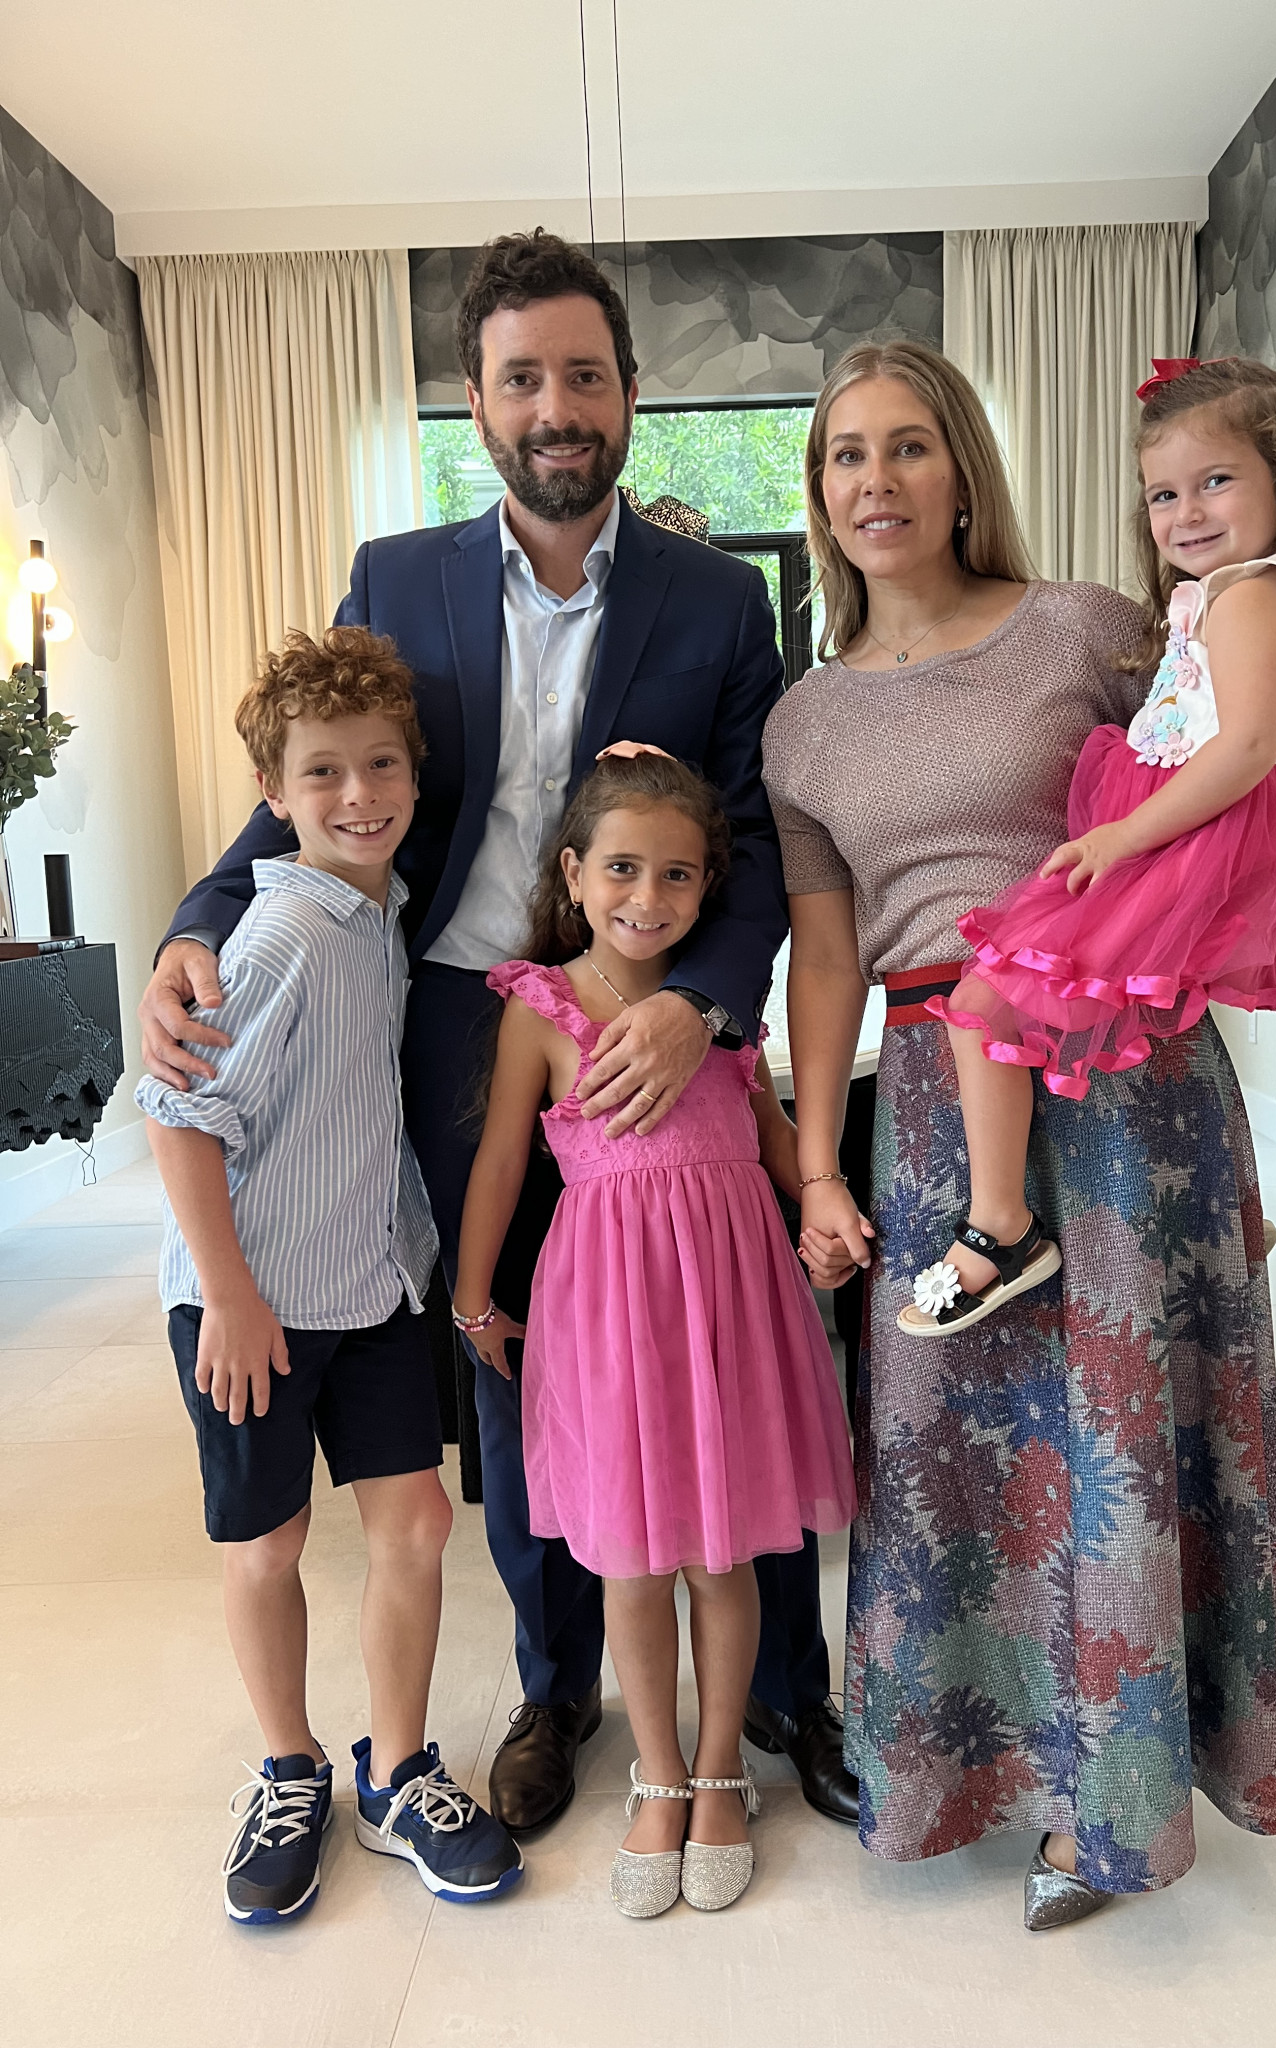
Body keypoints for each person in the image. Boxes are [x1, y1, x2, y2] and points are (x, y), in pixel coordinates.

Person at [137, 230, 857, 1836]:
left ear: (628, 394)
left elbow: (756, 844)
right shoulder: (398, 580)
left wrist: (694, 1007)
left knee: (721, 1352)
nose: (556, 406)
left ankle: (786, 1692)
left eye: (584, 375)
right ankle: (557, 1686)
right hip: (456, 1022)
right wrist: (194, 924)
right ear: (476, 402)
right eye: (522, 378)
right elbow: (311, 778)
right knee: (520, 1357)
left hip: (642, 1016)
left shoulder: (719, 601)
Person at [763, 339, 1276, 1929]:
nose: (877, 480)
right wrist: (817, 1162)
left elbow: (1223, 783)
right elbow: (825, 957)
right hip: (942, 1108)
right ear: (819, 491)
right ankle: (966, 1772)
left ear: (964, 470)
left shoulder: (1087, 626)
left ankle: (1113, 1803)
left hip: (1129, 1083)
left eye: (910, 445)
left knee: (1127, 1446)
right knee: (953, 1454)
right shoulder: (802, 725)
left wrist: (1226, 1159)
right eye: (847, 454)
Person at [136, 628, 523, 1924]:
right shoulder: (282, 932)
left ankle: (398, 1769)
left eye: (381, 764)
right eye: (322, 773)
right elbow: (179, 1114)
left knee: (414, 1524)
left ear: (414, 772)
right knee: (268, 1541)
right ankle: (288, 1765)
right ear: (273, 793)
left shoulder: (382, 909)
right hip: (247, 1299)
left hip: (369, 1285)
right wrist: (232, 1296)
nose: (359, 794)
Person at [454, 750, 856, 1916]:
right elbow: (500, 1161)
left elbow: (775, 1135)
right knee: (629, 1559)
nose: (648, 895)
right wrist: (472, 1296)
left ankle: (722, 1769)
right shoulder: (540, 1007)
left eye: (678, 873)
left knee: (721, 1555)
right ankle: (660, 1773)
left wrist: (822, 1203)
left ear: (707, 885)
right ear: (575, 872)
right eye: (623, 868)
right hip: (609, 1309)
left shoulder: (717, 1012)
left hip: (727, 1302)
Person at [906, 355, 1276, 1337]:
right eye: (1164, 493)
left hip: (1191, 832)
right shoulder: (1231, 591)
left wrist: (1121, 836)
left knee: (984, 1000)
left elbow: (1245, 745)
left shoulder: (1249, 597)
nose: (1186, 512)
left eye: (1217, 480)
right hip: (1188, 822)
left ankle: (1001, 1228)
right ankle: (1218, 1201)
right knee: (1142, 1028)